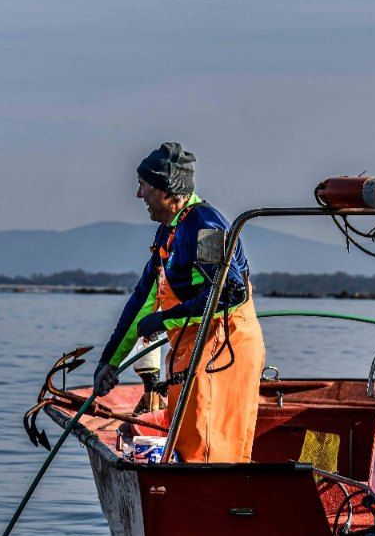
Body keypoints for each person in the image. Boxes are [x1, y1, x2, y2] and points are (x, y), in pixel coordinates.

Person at [93, 142, 265, 463]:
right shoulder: (166, 234)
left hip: (221, 350)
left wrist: (165, 318)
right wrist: (109, 363)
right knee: (186, 441)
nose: (138, 194)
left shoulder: (207, 228)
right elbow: (139, 303)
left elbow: (230, 292)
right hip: (189, 353)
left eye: (143, 186)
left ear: (165, 189)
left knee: (209, 443)